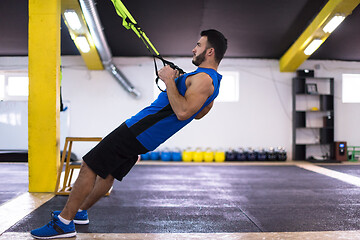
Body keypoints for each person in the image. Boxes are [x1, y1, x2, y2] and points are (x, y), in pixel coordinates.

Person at [30, 29, 228, 239]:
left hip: (139, 129)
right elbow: (198, 114)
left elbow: (183, 112)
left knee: (89, 165)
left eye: (198, 45)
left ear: (210, 51)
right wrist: (178, 83)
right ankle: (78, 212)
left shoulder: (204, 79)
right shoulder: (213, 82)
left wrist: (170, 80)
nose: (193, 48)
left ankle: (63, 224)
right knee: (108, 173)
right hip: (146, 136)